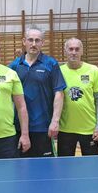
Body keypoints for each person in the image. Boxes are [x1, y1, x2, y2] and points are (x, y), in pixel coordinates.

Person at [8, 27, 65, 157]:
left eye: (37, 40)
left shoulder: (51, 64)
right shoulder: (14, 66)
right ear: (24, 41)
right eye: (30, 40)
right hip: (18, 127)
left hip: (43, 127)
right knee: (20, 167)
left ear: (42, 43)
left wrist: (55, 121)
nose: (33, 44)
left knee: (44, 167)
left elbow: (59, 93)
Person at [57, 38, 98, 156]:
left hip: (90, 130)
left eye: (77, 49)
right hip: (65, 130)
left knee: (92, 165)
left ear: (82, 51)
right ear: (65, 51)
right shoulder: (58, 71)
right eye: (70, 49)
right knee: (65, 165)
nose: (74, 52)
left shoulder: (93, 70)